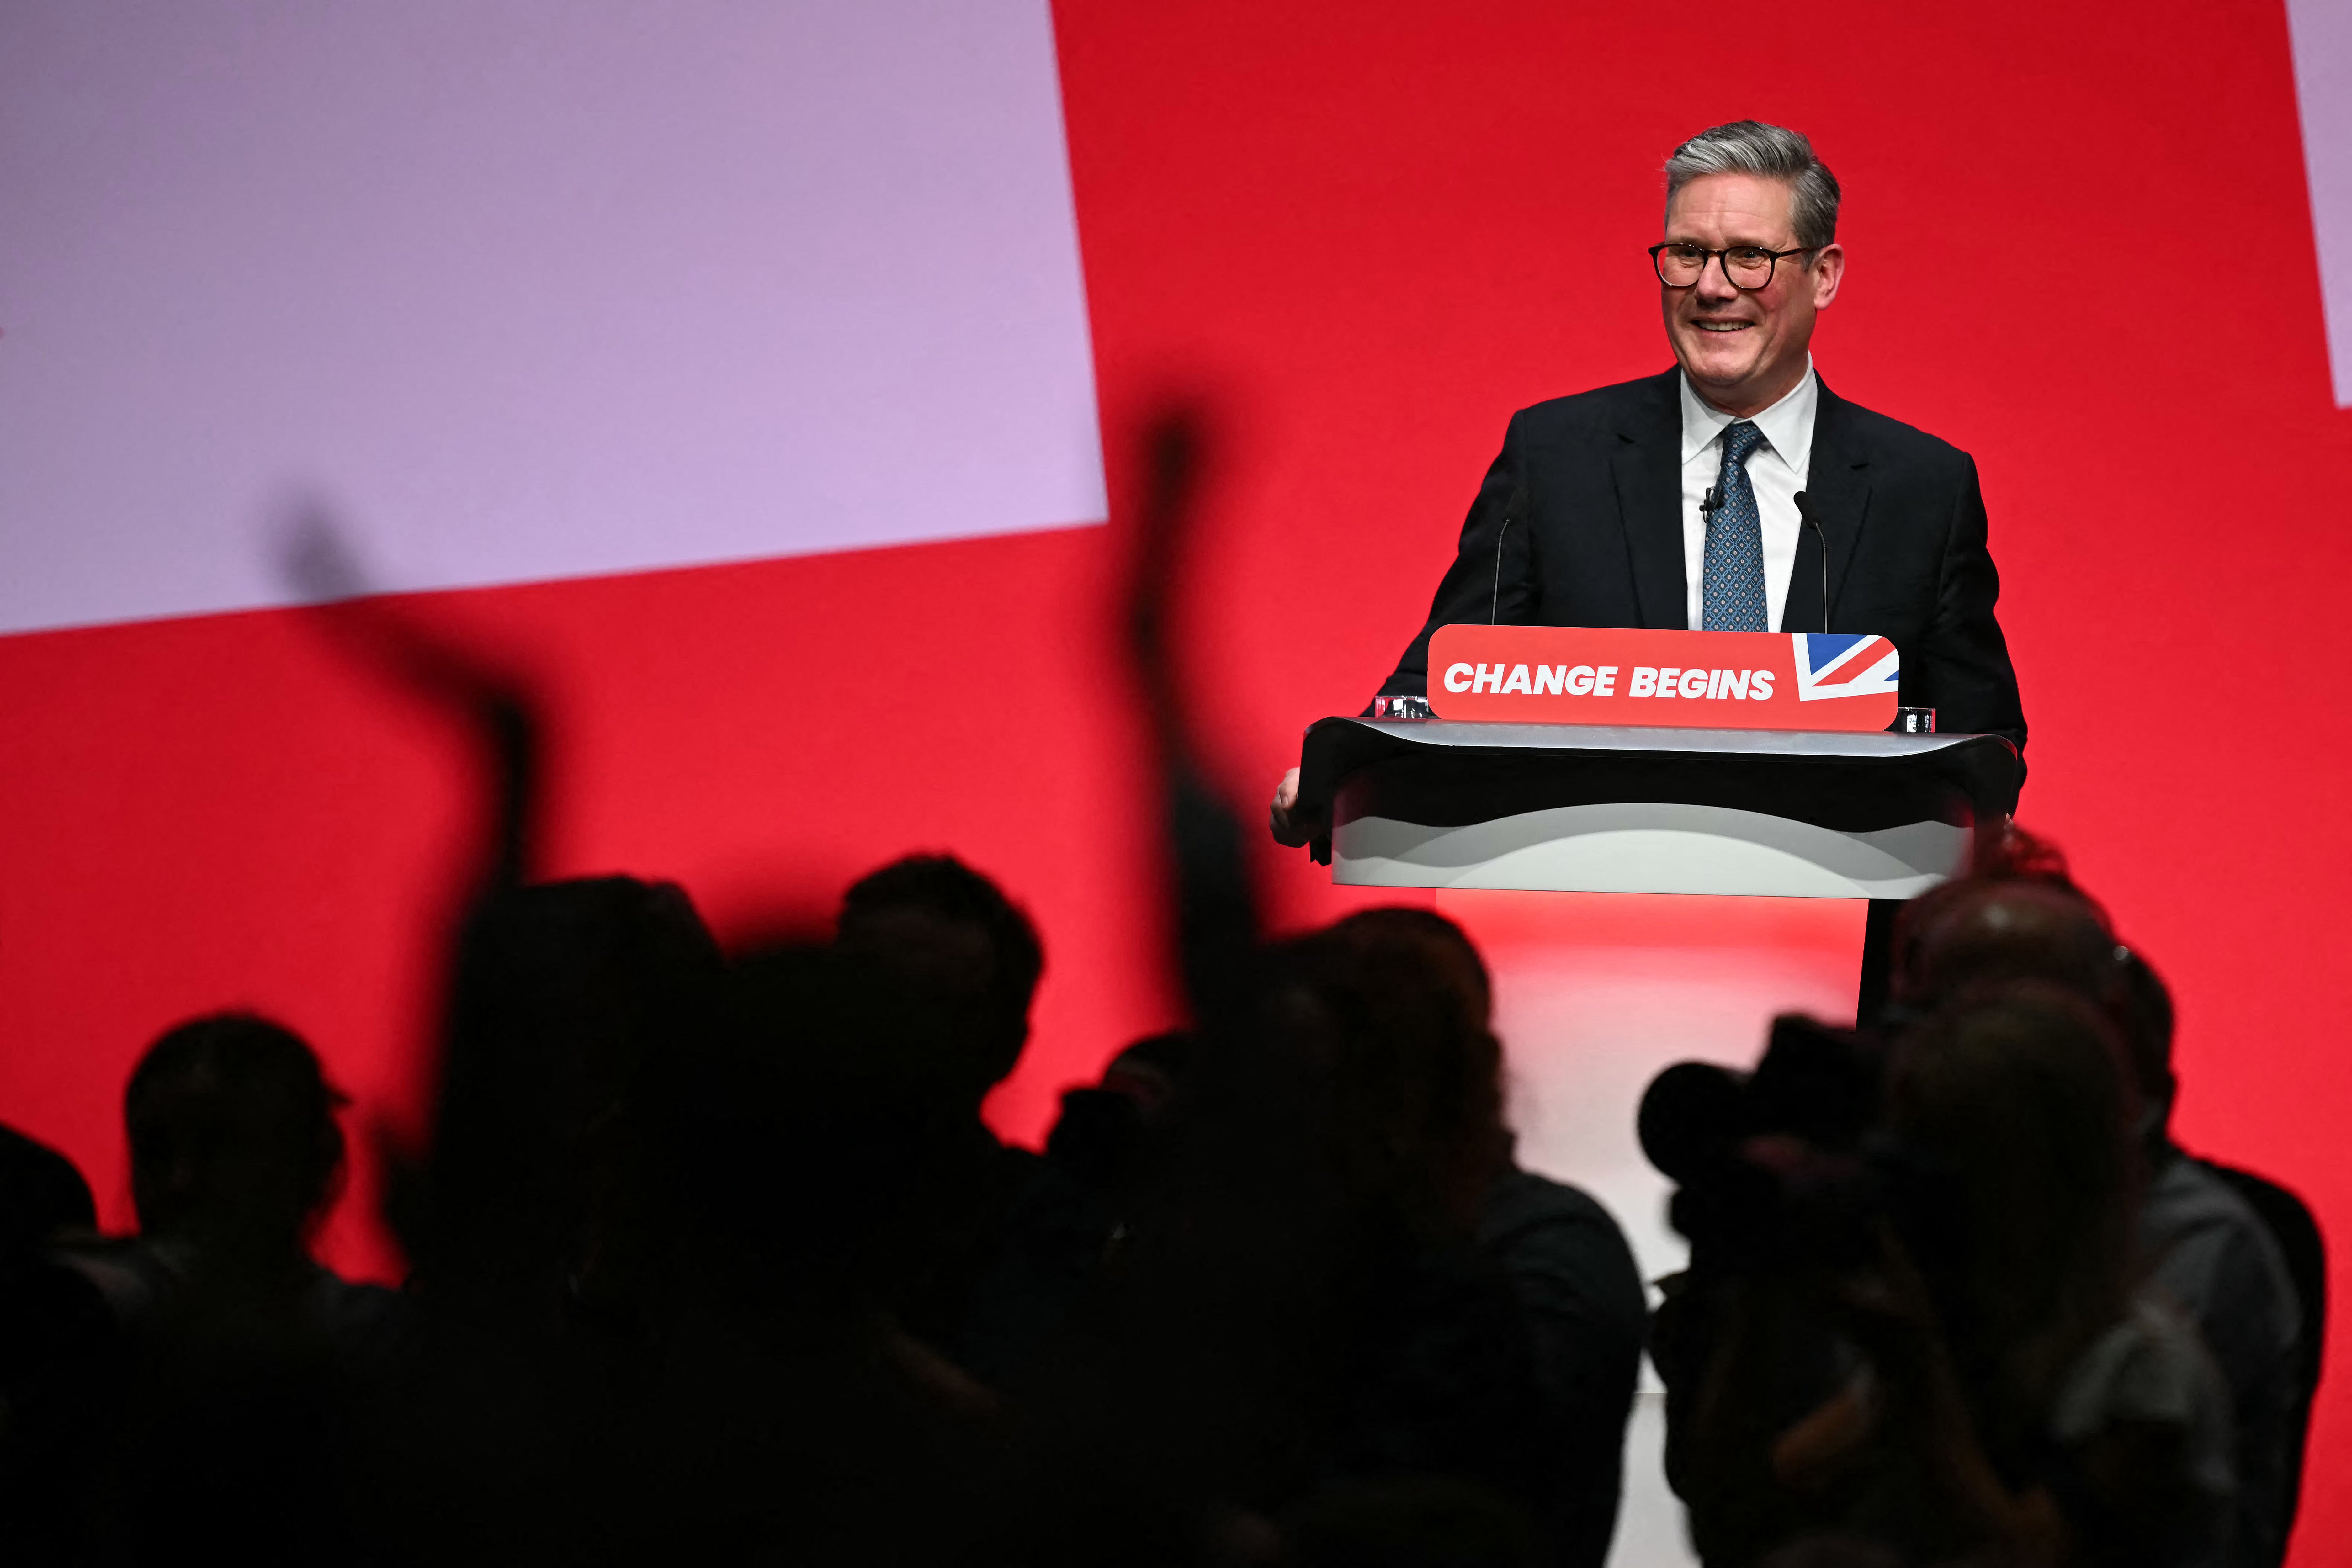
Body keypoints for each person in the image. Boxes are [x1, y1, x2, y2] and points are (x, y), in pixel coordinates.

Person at [1270, 119, 2026, 847]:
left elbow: (1983, 737)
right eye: (1689, 253)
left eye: (1749, 258)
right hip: (1588, 910)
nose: (1712, 287)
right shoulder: (1558, 456)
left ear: (1823, 276)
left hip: (1846, 931)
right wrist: (1344, 776)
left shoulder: (1921, 487)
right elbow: (1447, 674)